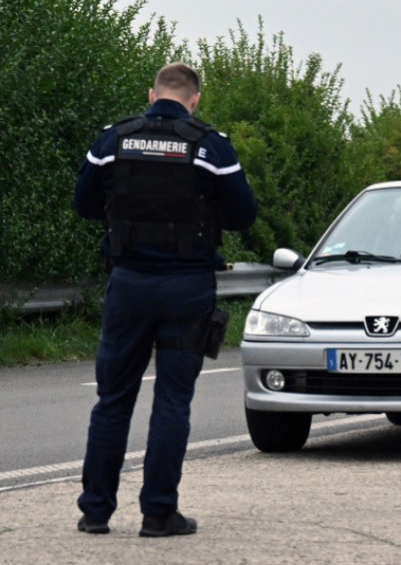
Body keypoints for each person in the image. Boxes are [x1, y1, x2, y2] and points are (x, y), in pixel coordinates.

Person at [73, 62, 257, 536]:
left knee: (113, 398)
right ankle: (158, 514)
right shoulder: (211, 146)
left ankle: (95, 512)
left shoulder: (113, 140)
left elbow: (84, 205)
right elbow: (243, 215)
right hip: (187, 288)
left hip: (128, 285)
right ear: (195, 100)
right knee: (173, 399)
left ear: (152, 94)